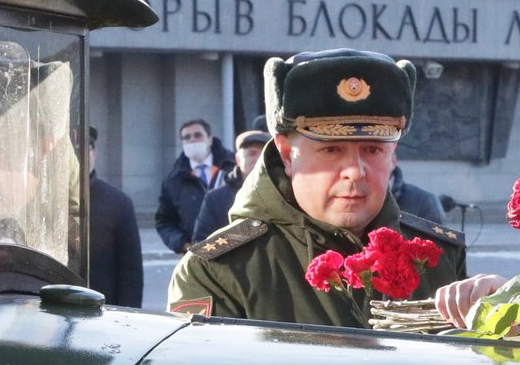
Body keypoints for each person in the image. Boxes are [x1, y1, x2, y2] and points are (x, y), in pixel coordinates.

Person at [166, 48, 465, 326]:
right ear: (287, 155)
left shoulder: (437, 257)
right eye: (331, 150)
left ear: (392, 154)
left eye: (372, 150)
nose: (354, 171)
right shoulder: (220, 270)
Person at [154, 117, 233, 254]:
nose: (192, 140)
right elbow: (164, 221)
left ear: (209, 139)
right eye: (187, 137)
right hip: (196, 254)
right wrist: (183, 244)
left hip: (234, 248)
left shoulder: (232, 168)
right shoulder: (174, 180)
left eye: (198, 135)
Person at [84, 125, 142, 307]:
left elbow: (131, 273)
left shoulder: (118, 202)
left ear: (94, 153)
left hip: (102, 311)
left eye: (86, 148)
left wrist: (128, 316)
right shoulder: (43, 199)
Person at [192, 120, 271, 242]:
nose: (258, 160)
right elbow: (201, 244)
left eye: (263, 154)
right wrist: (248, 231)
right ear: (238, 159)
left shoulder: (286, 194)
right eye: (252, 154)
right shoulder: (216, 199)